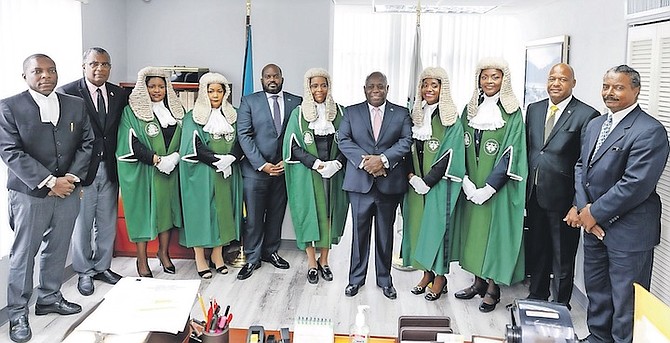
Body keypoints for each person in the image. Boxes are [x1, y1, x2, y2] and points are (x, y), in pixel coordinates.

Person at [565, 65, 669, 343]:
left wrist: (593, 213)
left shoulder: (650, 131)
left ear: (636, 90)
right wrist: (585, 208)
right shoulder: (596, 124)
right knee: (597, 291)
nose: (610, 93)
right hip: (594, 226)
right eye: (606, 86)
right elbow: (580, 168)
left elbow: (635, 185)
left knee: (626, 301)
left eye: (619, 87)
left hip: (629, 232)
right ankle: (598, 337)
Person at [0, 54, 94, 343]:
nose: (46, 76)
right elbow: (10, 151)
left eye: (51, 70)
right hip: (29, 193)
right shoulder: (9, 107)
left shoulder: (75, 104)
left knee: (58, 246)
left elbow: (88, 142)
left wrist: (69, 179)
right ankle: (18, 312)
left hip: (68, 190)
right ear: (25, 75)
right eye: (37, 71)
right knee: (24, 254)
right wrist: (49, 181)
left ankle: (50, 297)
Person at [451, 58, 527, 312]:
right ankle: (478, 282)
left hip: (496, 190)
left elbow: (511, 151)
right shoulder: (469, 109)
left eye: (495, 77)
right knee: (474, 235)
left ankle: (493, 288)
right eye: (485, 77)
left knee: (492, 237)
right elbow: (457, 145)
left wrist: (489, 187)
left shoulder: (512, 112)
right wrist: (466, 182)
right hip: (471, 186)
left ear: (503, 79)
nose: (489, 82)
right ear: (478, 80)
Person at [524, 63, 598, 308]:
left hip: (564, 200)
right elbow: (531, 150)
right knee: (537, 249)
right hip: (534, 194)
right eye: (552, 78)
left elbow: (585, 163)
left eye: (562, 79)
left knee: (562, 256)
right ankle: (537, 297)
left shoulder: (587, 115)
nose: (556, 84)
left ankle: (560, 303)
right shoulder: (534, 109)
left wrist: (577, 204)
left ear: (573, 83)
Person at [58, 47, 129, 296]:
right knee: (83, 224)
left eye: (105, 64)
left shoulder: (118, 93)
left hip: (110, 168)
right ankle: (84, 272)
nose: (100, 69)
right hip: (82, 170)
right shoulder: (67, 93)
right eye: (94, 64)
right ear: (84, 66)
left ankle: (102, 267)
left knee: (107, 223)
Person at [339, 71, 412, 300]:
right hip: (359, 185)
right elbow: (344, 140)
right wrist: (366, 162)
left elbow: (406, 141)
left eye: (380, 86)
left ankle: (384, 280)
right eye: (371, 86)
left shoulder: (401, 113)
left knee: (385, 236)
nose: (376, 90)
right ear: (364, 89)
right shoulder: (351, 112)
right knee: (359, 236)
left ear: (387, 89)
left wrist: (383, 160)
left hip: (388, 185)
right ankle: (355, 280)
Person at [401, 67, 465, 301]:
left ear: (443, 89)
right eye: (425, 85)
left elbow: (450, 153)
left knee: (438, 230)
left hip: (439, 185)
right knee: (419, 229)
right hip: (415, 184)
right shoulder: (415, 115)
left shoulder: (450, 119)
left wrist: (427, 182)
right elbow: (406, 147)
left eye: (434, 85)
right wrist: (410, 176)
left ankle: (440, 278)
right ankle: (426, 274)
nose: (429, 89)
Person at [116, 67, 183, 278]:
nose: (157, 90)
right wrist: (156, 160)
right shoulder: (131, 111)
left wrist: (175, 157)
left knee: (166, 213)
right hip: (144, 172)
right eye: (152, 86)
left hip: (169, 171)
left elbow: (186, 135)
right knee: (142, 215)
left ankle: (163, 254)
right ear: (143, 88)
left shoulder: (176, 110)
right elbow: (130, 143)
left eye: (161, 86)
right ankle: (142, 259)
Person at [283, 68, 348, 284]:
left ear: (329, 86)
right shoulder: (299, 114)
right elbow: (292, 146)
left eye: (323, 85)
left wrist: (337, 162)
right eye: (314, 85)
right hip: (308, 174)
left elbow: (348, 142)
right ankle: (312, 262)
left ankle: (325, 260)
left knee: (329, 215)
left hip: (333, 174)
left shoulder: (340, 112)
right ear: (308, 88)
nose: (319, 89)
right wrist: (317, 164)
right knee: (308, 215)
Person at [236, 64, 301, 280]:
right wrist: (262, 164)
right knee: (253, 218)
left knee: (276, 215)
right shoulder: (249, 101)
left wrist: (286, 160)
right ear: (262, 79)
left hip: (283, 170)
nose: (271, 79)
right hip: (256, 171)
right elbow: (244, 135)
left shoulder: (296, 102)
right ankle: (252, 258)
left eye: (275, 76)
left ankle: (270, 251)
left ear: (282, 77)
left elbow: (298, 136)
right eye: (267, 77)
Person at [179, 72, 243, 279]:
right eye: (210, 90)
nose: (215, 94)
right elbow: (194, 145)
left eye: (219, 90)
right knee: (201, 214)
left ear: (225, 92)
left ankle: (218, 256)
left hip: (227, 172)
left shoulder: (235, 115)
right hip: (201, 173)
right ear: (203, 92)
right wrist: (217, 160)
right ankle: (200, 258)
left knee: (224, 214)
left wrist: (231, 158)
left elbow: (243, 140)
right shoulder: (192, 116)